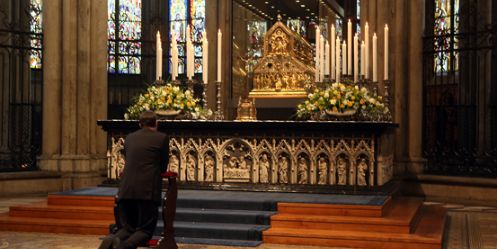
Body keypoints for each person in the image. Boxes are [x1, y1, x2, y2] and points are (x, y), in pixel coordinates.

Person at [99, 111, 169, 249]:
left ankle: (111, 240)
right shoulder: (162, 138)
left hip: (126, 189)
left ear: (139, 124)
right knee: (145, 231)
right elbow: (163, 165)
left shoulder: (130, 137)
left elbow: (129, 158)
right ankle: (122, 247)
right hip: (147, 191)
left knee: (127, 229)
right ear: (157, 123)